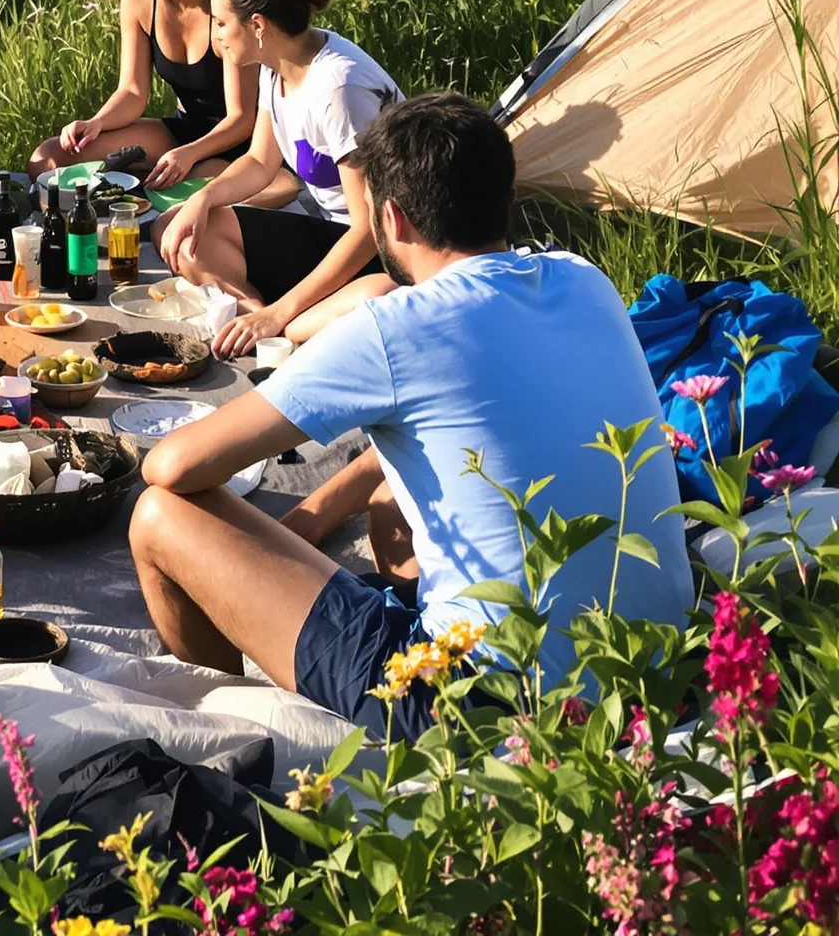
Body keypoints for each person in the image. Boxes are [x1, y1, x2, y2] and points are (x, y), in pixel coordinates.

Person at [128, 95, 694, 739]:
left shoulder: (398, 329)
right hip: (649, 676)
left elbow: (174, 466)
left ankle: (234, 724)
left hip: (484, 704)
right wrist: (311, 520)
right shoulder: (583, 279)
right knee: (395, 504)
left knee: (162, 515)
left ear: (391, 219)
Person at [158, 0, 401, 358]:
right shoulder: (277, 64)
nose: (215, 35)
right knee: (186, 236)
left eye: (219, 23)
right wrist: (202, 199)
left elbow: (370, 230)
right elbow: (258, 162)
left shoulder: (339, 87)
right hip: (332, 237)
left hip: (386, 255)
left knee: (377, 298)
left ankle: (281, 326)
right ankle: (263, 327)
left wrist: (279, 312)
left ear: (256, 25)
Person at [29, 0, 258, 186]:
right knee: (51, 159)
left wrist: (188, 154)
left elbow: (242, 119)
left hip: (241, 141)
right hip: (184, 128)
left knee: (182, 185)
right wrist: (96, 123)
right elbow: (133, 91)